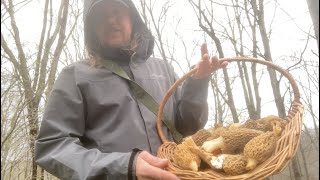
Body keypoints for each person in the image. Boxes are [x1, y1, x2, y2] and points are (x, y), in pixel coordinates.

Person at [35, 0, 228, 179]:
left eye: (117, 11)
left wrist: (197, 83)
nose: (111, 20)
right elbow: (53, 146)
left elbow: (188, 129)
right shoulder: (75, 76)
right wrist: (125, 167)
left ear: (132, 17)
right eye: (101, 16)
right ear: (91, 28)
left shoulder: (163, 69)